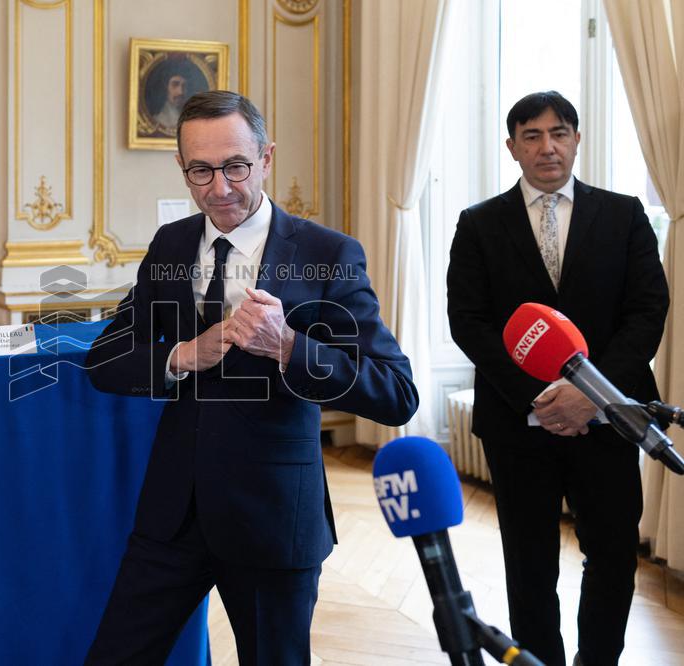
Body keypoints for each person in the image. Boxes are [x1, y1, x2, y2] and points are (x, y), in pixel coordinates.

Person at [84, 90, 418, 664]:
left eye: (236, 166)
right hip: (173, 515)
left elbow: (396, 391)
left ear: (265, 158)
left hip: (271, 520)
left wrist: (288, 346)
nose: (219, 188)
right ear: (182, 169)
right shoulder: (171, 244)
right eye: (201, 170)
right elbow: (105, 358)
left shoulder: (328, 253)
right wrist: (182, 354)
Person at [447, 91, 669, 666]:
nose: (548, 147)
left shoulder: (624, 215)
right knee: (528, 561)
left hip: (612, 417)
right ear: (512, 147)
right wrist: (544, 398)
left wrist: (587, 394)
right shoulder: (479, 224)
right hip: (518, 422)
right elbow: (469, 323)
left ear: (576, 139)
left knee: (615, 552)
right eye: (532, 136)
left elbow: (647, 312)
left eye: (559, 133)